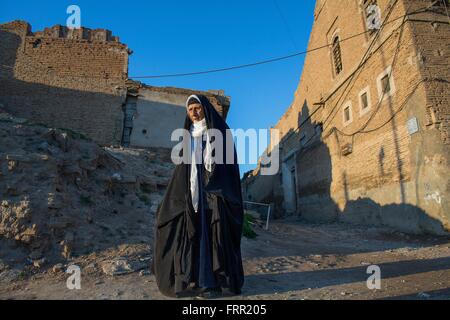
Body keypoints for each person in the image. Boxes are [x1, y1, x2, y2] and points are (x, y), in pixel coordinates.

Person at [152, 94, 245, 298]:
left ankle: (213, 284)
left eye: (197, 108)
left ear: (205, 109)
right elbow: (182, 171)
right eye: (190, 109)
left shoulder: (220, 132)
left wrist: (215, 182)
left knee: (213, 236)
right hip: (192, 195)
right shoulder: (188, 135)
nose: (194, 113)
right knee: (190, 234)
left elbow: (228, 166)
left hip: (215, 194)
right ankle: (193, 280)